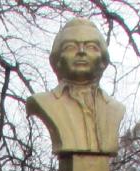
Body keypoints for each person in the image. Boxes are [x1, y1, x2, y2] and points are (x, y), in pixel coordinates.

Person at [26, 18, 125, 154]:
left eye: (91, 47)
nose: (81, 52)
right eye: (71, 47)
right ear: (58, 60)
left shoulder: (115, 108)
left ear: (102, 60)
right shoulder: (43, 102)